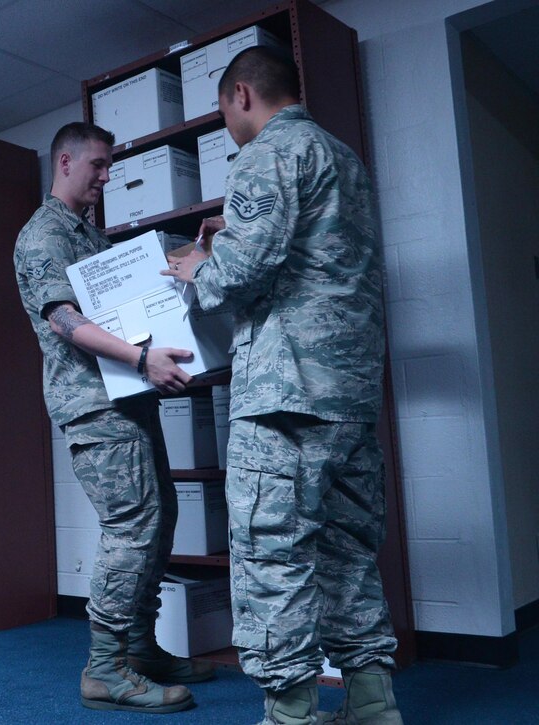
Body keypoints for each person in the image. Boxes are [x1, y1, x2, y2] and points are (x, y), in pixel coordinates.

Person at [165, 46, 401, 725]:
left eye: (223, 111)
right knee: (350, 550)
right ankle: (373, 704)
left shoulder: (269, 150)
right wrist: (230, 239)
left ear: (243, 94)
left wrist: (196, 269)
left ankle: (293, 715)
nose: (227, 125)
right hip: (350, 395)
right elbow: (313, 255)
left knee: (273, 552)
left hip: (285, 395)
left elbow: (240, 273)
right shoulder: (344, 158)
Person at [14, 122, 215, 715]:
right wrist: (140, 358)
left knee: (159, 520)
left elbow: (141, 273)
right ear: (67, 160)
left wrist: (195, 247)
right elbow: (62, 320)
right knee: (131, 528)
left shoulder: (87, 236)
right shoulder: (44, 235)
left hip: (128, 400)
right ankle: (104, 669)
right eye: (99, 166)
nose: (107, 177)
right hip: (96, 405)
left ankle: (139, 648)